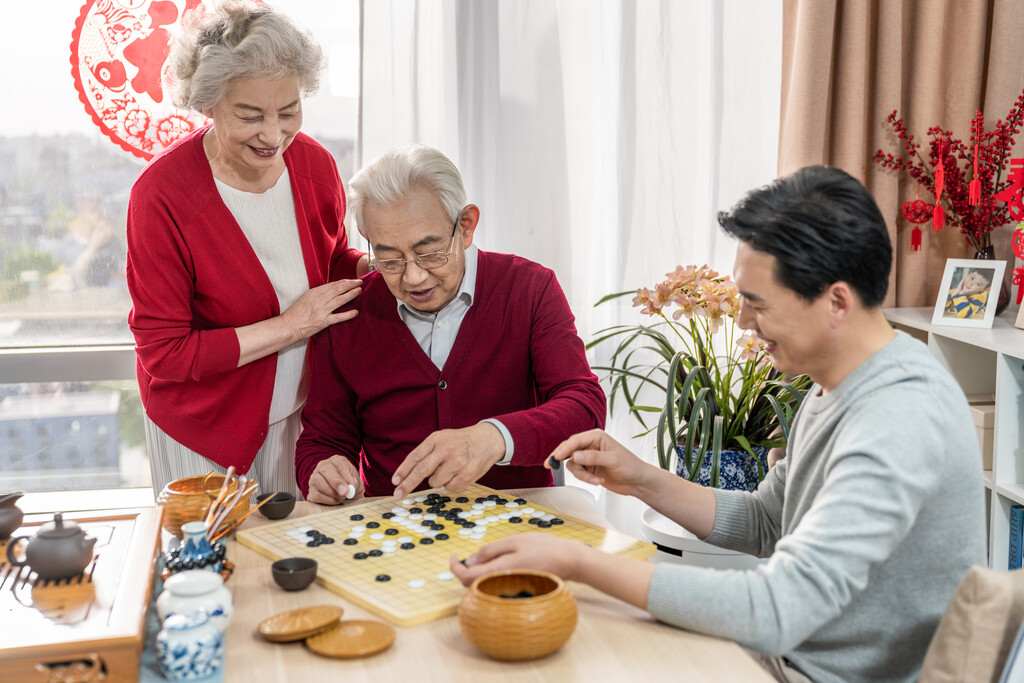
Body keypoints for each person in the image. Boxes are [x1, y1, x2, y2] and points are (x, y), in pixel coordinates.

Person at [451, 166, 987, 683]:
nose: (744, 322)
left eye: (757, 304)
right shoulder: (834, 385)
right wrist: (640, 478)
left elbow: (779, 606)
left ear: (836, 302)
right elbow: (766, 522)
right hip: (785, 658)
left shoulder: (898, 415)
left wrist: (577, 561)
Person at [126, 1, 368, 497]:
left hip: (304, 419)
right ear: (206, 103)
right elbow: (165, 354)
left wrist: (375, 265)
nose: (274, 135)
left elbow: (328, 260)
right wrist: (291, 326)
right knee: (212, 567)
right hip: (205, 429)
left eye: (288, 111)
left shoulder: (316, 166)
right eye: (251, 115)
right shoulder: (161, 197)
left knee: (297, 560)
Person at [295, 145, 606, 503]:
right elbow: (322, 441)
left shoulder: (530, 289)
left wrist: (494, 438)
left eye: (429, 252)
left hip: (519, 524)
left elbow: (585, 408)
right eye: (389, 258)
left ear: (466, 226)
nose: (412, 277)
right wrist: (322, 469)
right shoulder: (350, 313)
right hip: (394, 531)